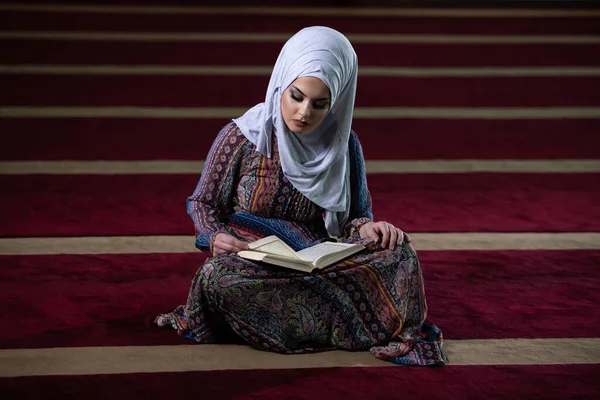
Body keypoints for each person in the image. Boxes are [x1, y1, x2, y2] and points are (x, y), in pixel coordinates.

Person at [155, 26, 445, 366]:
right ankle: (333, 318)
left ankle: (294, 319)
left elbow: (356, 215)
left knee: (400, 253)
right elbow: (202, 201)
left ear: (337, 101)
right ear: (281, 84)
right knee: (216, 280)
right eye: (297, 96)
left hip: (314, 256)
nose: (305, 112)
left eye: (320, 104)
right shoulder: (244, 137)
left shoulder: (344, 144)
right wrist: (214, 237)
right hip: (252, 259)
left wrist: (369, 228)